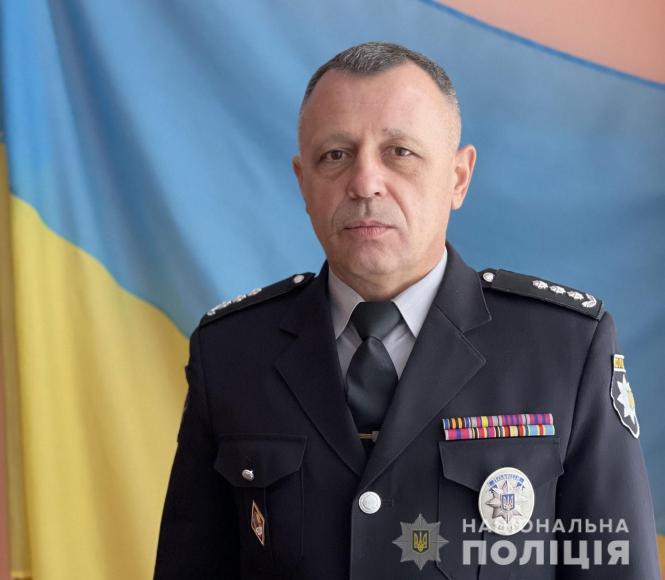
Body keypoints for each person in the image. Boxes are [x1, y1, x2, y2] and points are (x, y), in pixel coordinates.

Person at [154, 42, 659, 579]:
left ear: (458, 177)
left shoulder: (565, 350)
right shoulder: (231, 354)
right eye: (335, 155)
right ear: (303, 183)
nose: (365, 183)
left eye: (400, 152)